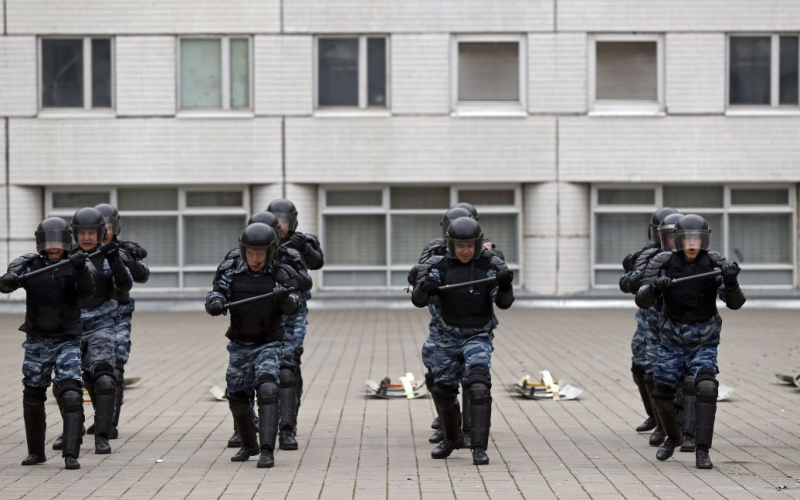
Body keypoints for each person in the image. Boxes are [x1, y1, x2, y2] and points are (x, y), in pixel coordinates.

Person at [636, 214, 745, 469]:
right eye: (687, 239)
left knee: (706, 388)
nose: (692, 244)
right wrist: (655, 289)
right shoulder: (663, 263)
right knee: (660, 391)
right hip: (671, 341)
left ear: (704, 239)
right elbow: (641, 299)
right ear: (678, 240)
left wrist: (730, 281)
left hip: (703, 341)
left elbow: (736, 303)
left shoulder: (714, 263)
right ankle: (672, 436)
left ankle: (702, 449)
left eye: (697, 238)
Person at [412, 217, 514, 465]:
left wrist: (504, 286)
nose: (465, 251)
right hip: (446, 335)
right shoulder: (439, 265)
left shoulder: (489, 265)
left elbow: (504, 303)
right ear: (451, 245)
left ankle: (479, 447)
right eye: (460, 246)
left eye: (470, 245)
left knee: (478, 385)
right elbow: (417, 299)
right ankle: (452, 438)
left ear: (478, 244)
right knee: (443, 389)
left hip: (477, 334)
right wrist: (427, 287)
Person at [0, 218, 97, 469]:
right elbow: (7, 283)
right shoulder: (28, 264)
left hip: (67, 339)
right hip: (37, 340)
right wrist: (9, 281)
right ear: (40, 242)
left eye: (58, 242)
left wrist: (80, 269)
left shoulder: (78, 263)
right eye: (48, 242)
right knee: (32, 393)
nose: (53, 247)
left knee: (71, 394)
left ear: (66, 242)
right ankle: (36, 452)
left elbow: (88, 290)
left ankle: (71, 453)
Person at [206, 223, 303, 468]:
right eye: (251, 253)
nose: (255, 259)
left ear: (269, 252)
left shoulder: (281, 273)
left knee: (268, 388)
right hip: (240, 344)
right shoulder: (232, 271)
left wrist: (285, 299)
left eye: (260, 254)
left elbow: (295, 304)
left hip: (269, 343)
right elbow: (216, 293)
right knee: (237, 398)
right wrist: (215, 302)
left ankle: (268, 451)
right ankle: (250, 445)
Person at [53, 207, 133, 455]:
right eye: (82, 233)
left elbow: (125, 284)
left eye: (91, 233)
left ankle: (102, 434)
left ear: (100, 234)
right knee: (65, 384)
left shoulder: (109, 256)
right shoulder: (65, 257)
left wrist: (116, 259)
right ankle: (71, 432)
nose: (87, 238)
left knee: (105, 379)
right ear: (74, 234)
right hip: (71, 328)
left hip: (101, 324)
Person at [89, 203, 149, 439]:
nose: (104, 231)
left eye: (108, 227)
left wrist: (126, 259)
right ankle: (99, 416)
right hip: (87, 317)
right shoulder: (80, 251)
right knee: (88, 371)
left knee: (115, 368)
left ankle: (110, 421)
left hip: (118, 314)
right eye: (99, 227)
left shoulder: (125, 250)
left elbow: (142, 275)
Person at [266, 199, 324, 447]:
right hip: (263, 312)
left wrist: (305, 249)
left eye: (285, 221)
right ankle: (248, 426)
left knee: (288, 367)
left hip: (293, 312)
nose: (281, 226)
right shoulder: (258, 239)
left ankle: (288, 425)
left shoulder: (302, 240)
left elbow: (317, 263)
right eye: (277, 221)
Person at [619, 207, 677, 445]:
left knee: (662, 375)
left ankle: (669, 426)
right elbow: (626, 283)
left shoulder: (687, 257)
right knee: (639, 370)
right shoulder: (644, 255)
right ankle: (653, 416)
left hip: (673, 323)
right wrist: (637, 277)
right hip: (647, 322)